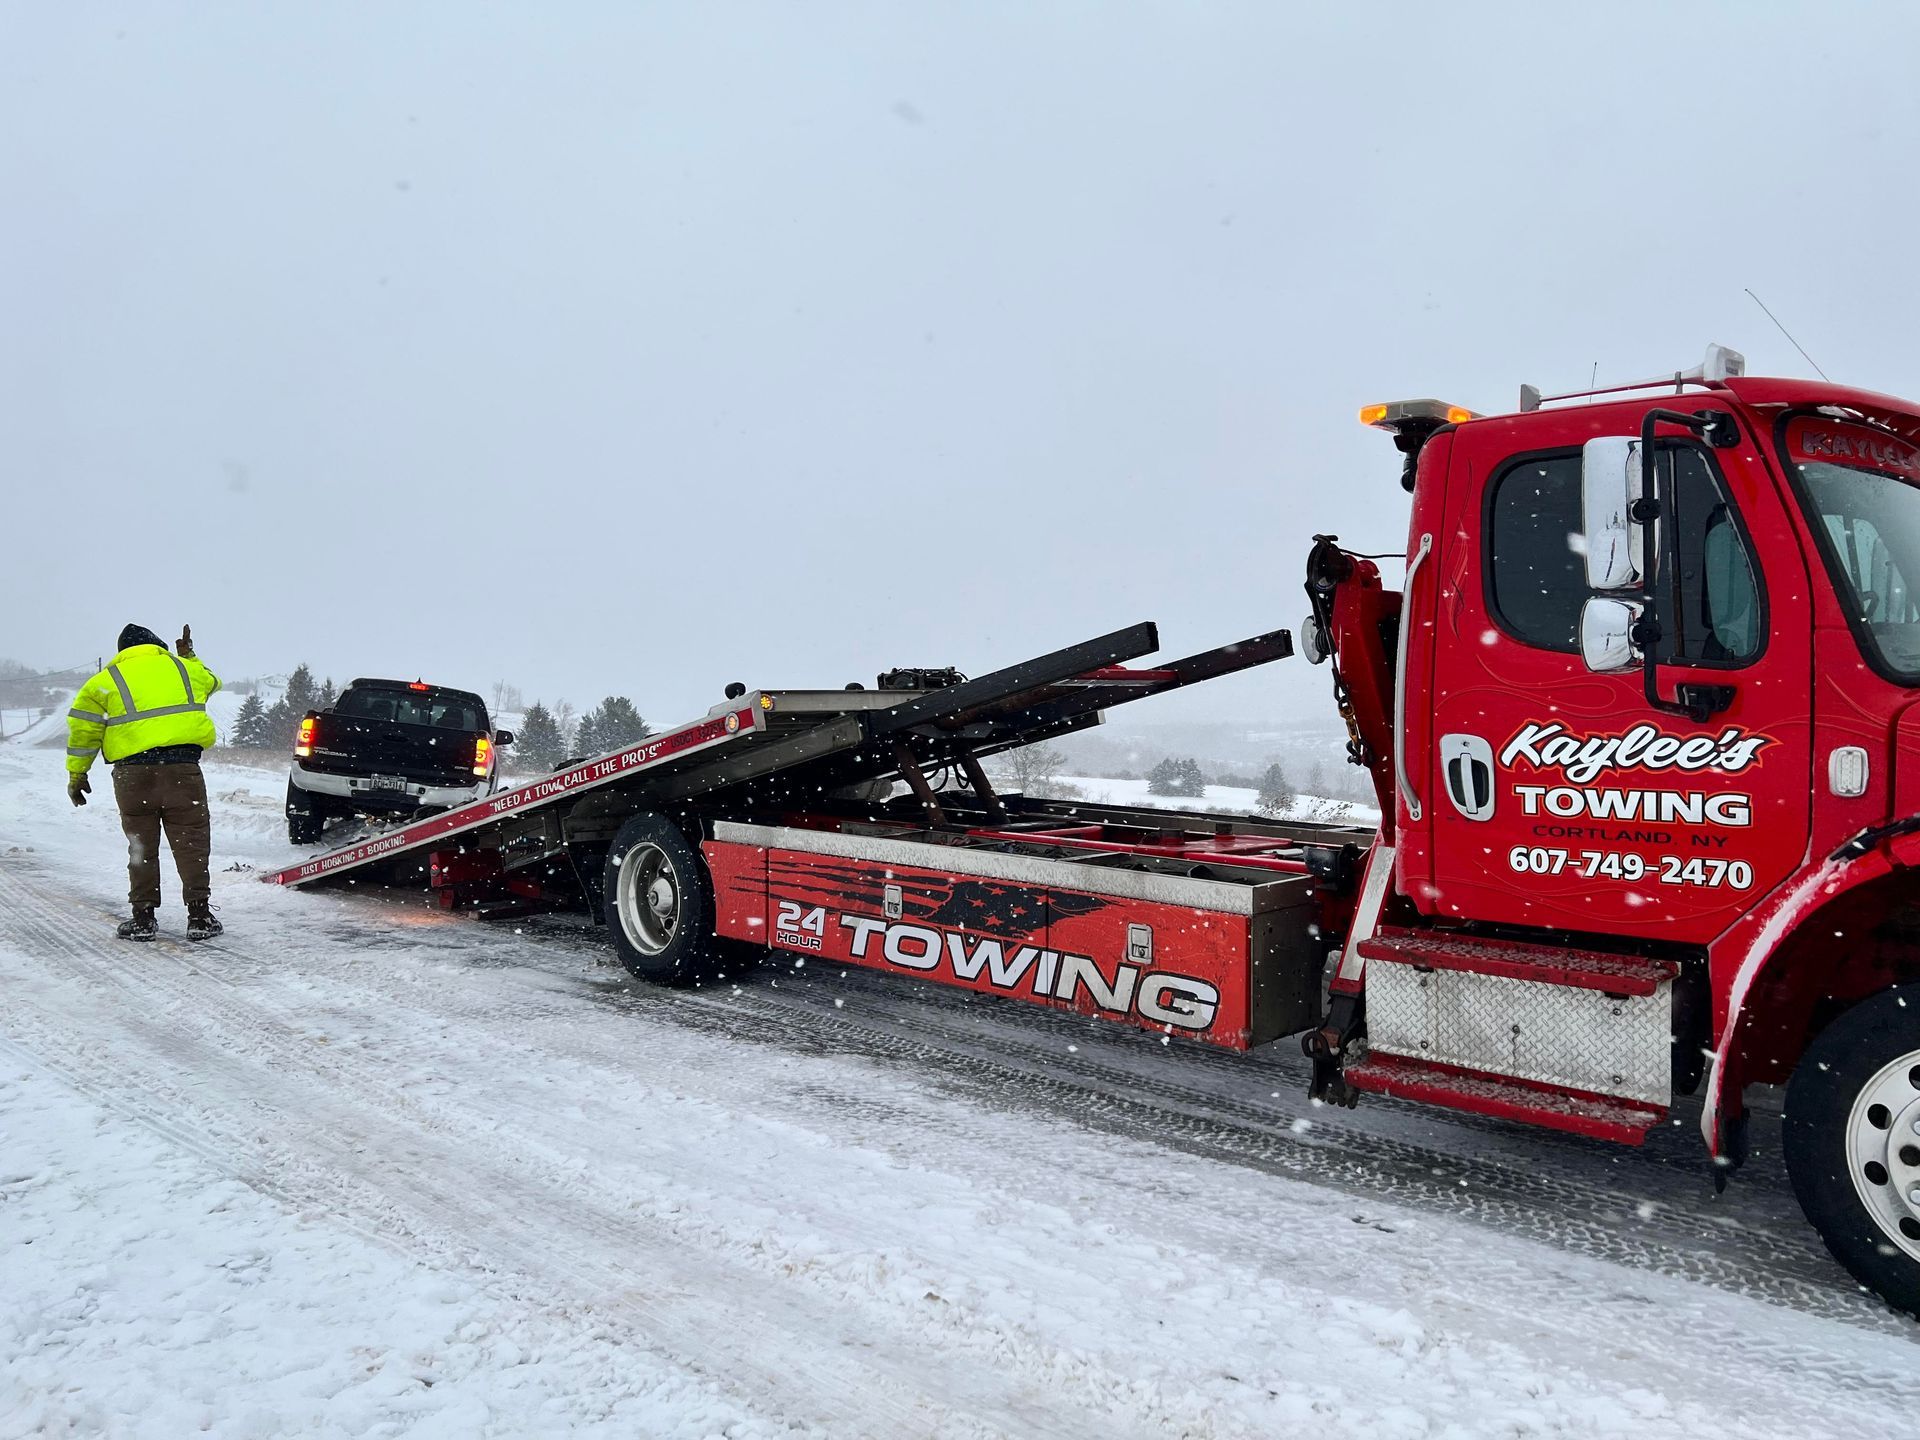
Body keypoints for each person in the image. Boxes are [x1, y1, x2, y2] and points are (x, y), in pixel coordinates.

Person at [67, 623, 224, 941]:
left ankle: (143, 918)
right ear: (158, 646)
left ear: (123, 652)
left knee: (141, 848)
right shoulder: (182, 668)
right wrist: (189, 656)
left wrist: (77, 774)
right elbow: (212, 682)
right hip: (182, 771)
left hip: (133, 777)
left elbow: (84, 731)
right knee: (191, 844)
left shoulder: (104, 681)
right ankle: (199, 916)